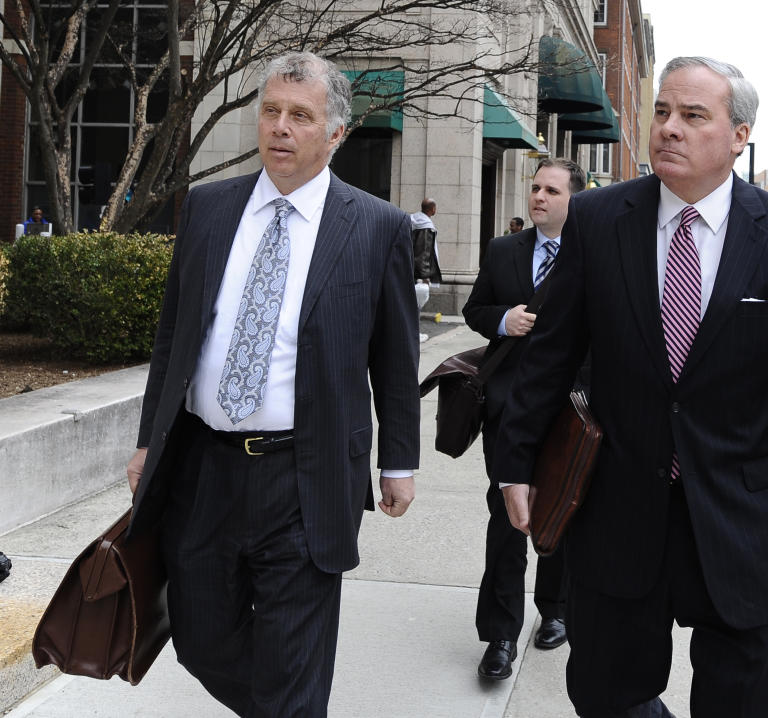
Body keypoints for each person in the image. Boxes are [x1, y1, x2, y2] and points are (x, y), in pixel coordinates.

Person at [494, 56, 768, 718]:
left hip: (744, 522)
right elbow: (550, 356)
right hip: (618, 515)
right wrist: (513, 462)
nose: (669, 128)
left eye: (693, 116)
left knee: (742, 701)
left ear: (739, 134)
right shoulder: (599, 221)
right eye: (662, 112)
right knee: (606, 693)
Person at [125, 52, 420, 717]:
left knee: (293, 660)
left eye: (300, 116)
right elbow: (172, 340)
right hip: (205, 468)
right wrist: (150, 442)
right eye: (271, 112)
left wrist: (398, 460)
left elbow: (395, 360)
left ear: (335, 134)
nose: (280, 128)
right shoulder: (207, 209)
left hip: (306, 474)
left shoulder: (377, 227)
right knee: (199, 640)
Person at [462, 157, 586, 680]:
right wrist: (503, 320)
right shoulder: (501, 250)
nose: (538, 197)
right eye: (535, 188)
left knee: (558, 512)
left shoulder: (592, 254)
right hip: (507, 408)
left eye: (551, 191)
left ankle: (555, 611)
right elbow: (473, 310)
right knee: (505, 517)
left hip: (567, 412)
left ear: (572, 200)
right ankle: (500, 634)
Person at [410, 197, 442, 284]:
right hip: (419, 277)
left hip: (411, 271)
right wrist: (424, 276)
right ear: (433, 209)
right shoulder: (426, 227)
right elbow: (423, 253)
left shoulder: (414, 219)